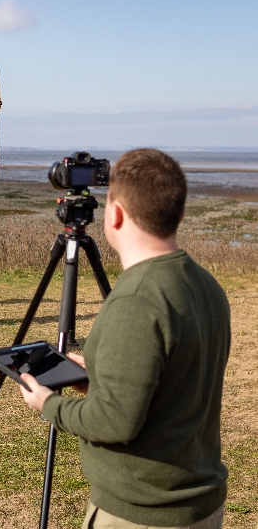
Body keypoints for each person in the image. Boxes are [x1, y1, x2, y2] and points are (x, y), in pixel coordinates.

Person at [20, 148, 230, 529]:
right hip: (198, 500)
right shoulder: (206, 284)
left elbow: (114, 423)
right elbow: (172, 380)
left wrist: (48, 404)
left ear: (114, 215)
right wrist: (100, 377)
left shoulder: (137, 300)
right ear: (179, 214)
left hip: (144, 512)